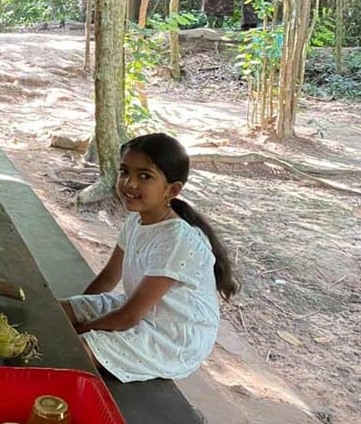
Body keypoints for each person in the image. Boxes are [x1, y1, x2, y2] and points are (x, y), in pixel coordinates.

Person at [61, 133, 239, 382]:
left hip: (172, 337)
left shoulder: (176, 240)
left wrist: (78, 331)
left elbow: (128, 316)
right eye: (124, 172)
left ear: (172, 189)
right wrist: (77, 310)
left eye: (144, 176)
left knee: (76, 350)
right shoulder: (136, 220)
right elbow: (108, 278)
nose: (129, 183)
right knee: (59, 310)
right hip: (143, 312)